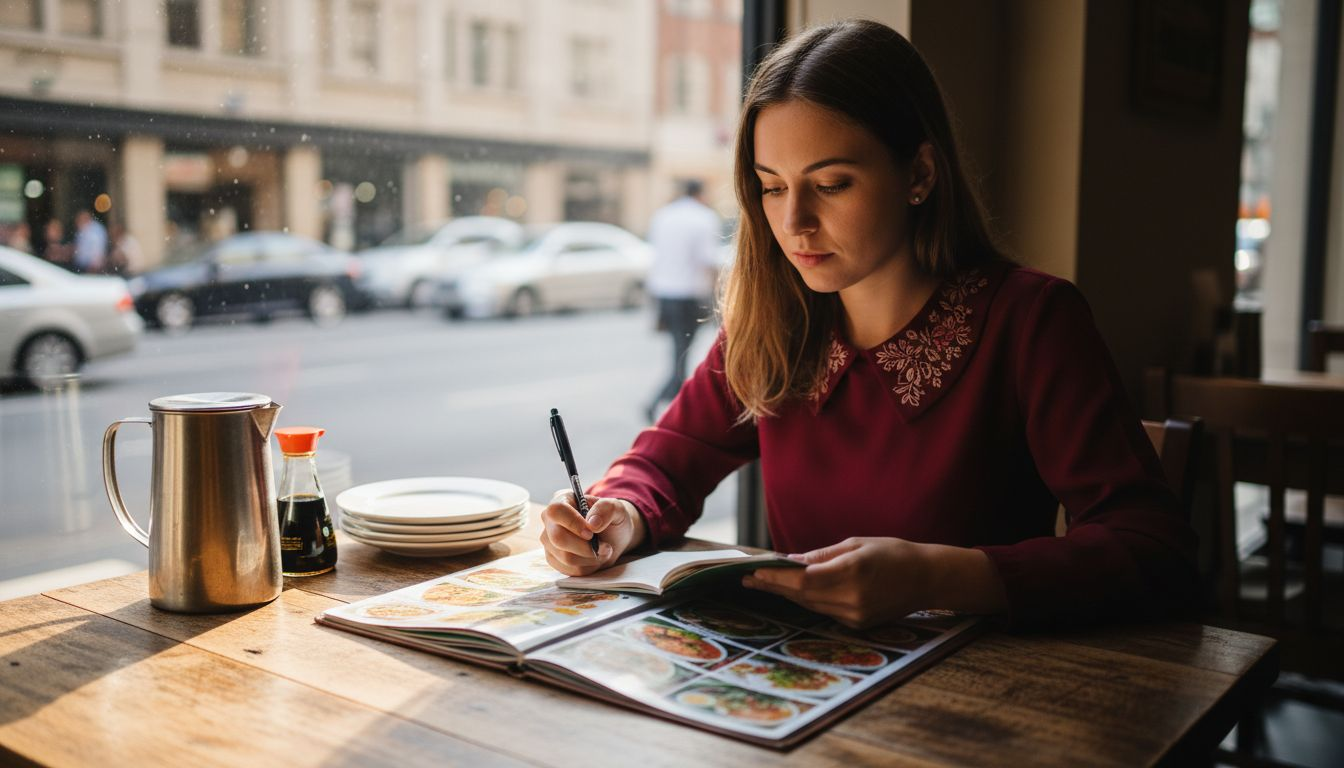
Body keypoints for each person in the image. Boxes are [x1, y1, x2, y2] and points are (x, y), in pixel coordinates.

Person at [539, 19, 1197, 630]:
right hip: (800, 692)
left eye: (831, 185)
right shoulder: (776, 322)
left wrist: (945, 576)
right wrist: (616, 515)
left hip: (984, 706)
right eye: (771, 186)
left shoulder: (1029, 321)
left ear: (919, 174)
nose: (793, 222)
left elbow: (1152, 547)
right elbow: (664, 465)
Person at [643, 179, 724, 422]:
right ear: (700, 194)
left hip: (663, 293)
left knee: (681, 352)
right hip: (691, 295)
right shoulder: (704, 217)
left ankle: (676, 408)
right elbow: (708, 261)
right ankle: (667, 406)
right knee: (690, 353)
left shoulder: (663, 216)